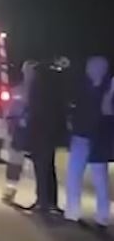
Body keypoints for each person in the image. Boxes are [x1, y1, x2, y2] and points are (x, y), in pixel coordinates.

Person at [64, 56, 112, 227]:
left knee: (100, 177)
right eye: (91, 67)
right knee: (74, 175)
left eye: (99, 67)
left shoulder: (110, 86)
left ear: (105, 69)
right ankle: (72, 211)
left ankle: (103, 214)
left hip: (99, 137)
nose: (94, 70)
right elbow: (71, 107)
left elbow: (108, 111)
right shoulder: (80, 86)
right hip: (80, 135)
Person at [26, 59, 68, 214]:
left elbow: (34, 111)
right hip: (50, 133)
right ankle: (50, 201)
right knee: (48, 167)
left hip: (40, 132)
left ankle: (42, 201)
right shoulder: (53, 88)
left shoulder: (37, 86)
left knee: (41, 168)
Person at [1, 60, 37, 204]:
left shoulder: (42, 92)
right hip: (18, 132)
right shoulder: (17, 91)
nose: (30, 73)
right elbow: (8, 112)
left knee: (38, 166)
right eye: (27, 70)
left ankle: (41, 197)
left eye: (32, 71)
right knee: (15, 163)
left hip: (35, 132)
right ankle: (10, 190)